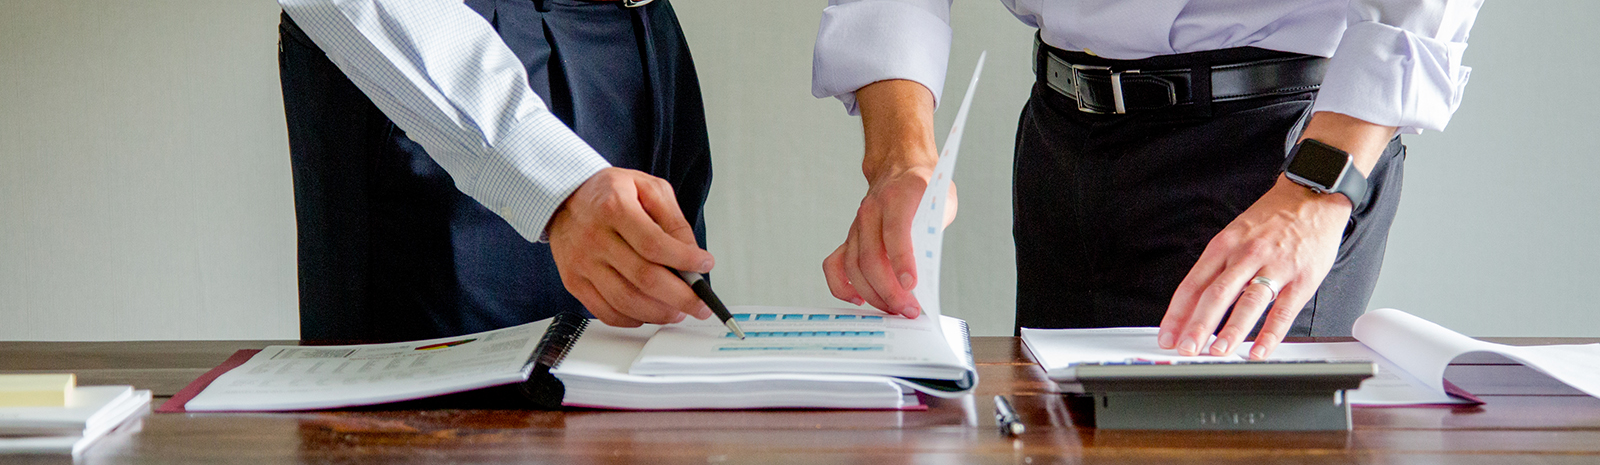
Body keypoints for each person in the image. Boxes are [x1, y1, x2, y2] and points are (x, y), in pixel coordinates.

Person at [812, 0, 1482, 359]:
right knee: (1061, 435)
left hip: (1274, 154)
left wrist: (1315, 189)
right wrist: (902, 159)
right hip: (1062, 137)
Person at [278, 0, 716, 342]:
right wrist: (553, 180)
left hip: (642, 40)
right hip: (451, 50)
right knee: (447, 417)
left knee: (650, 393)